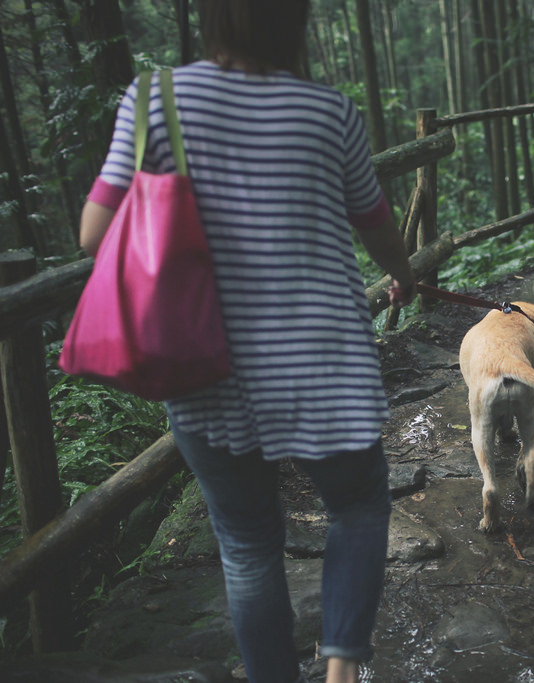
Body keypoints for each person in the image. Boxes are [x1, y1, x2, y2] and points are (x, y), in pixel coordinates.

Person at [78, 2, 416, 682]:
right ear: (296, 21)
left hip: (206, 361)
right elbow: (375, 221)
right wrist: (402, 271)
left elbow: (94, 232)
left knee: (246, 544)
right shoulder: (329, 111)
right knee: (357, 505)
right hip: (322, 361)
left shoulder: (154, 100)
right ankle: (342, 666)